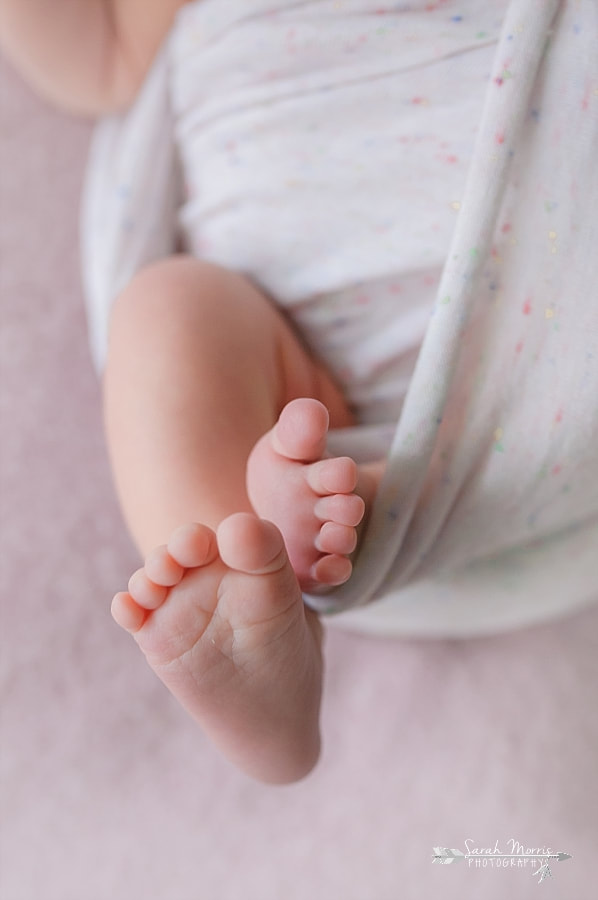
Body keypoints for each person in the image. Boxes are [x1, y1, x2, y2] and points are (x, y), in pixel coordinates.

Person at [2, 0, 596, 784]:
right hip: (276, 332)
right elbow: (100, 57)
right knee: (163, 316)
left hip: (550, 220)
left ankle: (373, 503)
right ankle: (249, 617)